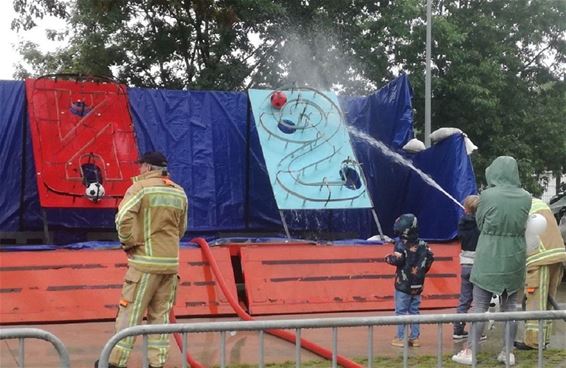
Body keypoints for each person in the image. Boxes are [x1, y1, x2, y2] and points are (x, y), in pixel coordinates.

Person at [95, 151, 188, 368]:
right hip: (170, 264)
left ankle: (115, 363)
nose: (139, 170)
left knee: (130, 314)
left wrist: (129, 243)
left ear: (147, 167)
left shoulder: (139, 189)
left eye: (140, 166)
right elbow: (181, 229)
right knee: (161, 317)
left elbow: (123, 218)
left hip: (144, 264)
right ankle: (157, 363)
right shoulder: (179, 193)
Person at [452, 156, 531, 366]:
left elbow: (480, 222)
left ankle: (470, 351)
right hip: (515, 254)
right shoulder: (526, 197)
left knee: (479, 306)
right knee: (510, 307)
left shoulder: (487, 195)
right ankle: (508, 352)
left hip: (489, 253)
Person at [515, 198, 566, 350]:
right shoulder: (538, 203)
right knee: (548, 301)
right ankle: (544, 339)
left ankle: (533, 342)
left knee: (535, 300)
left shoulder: (520, 206)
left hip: (540, 257)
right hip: (557, 254)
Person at [385, 213, 434, 347]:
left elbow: (398, 260)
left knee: (401, 310)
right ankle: (415, 337)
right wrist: (422, 271)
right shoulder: (424, 244)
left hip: (403, 284)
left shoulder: (400, 245)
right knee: (414, 310)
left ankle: (400, 337)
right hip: (418, 284)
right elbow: (430, 258)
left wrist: (388, 258)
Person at [453, 195, 482, 340]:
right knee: (480, 301)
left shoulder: (462, 223)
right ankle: (477, 332)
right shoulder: (482, 224)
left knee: (464, 299)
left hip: (465, 263)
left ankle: (457, 330)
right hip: (479, 264)